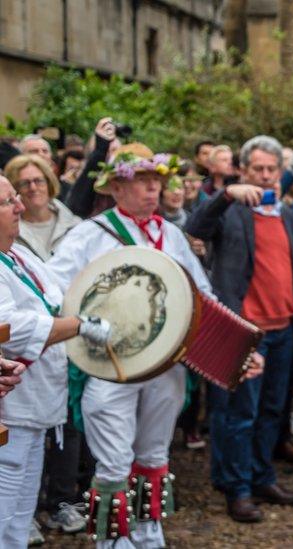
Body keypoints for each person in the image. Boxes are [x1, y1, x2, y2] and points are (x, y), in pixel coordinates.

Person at [46, 144, 258, 547]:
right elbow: (54, 289)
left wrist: (237, 348)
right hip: (110, 366)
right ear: (117, 188)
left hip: (166, 367)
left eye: (157, 182)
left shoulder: (172, 235)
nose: (152, 190)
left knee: (155, 456)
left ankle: (148, 532)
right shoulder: (89, 235)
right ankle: (112, 540)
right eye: (142, 181)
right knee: (112, 464)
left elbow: (202, 296)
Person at [185, 135, 293, 522]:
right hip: (245, 331)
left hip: (283, 327)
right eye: (258, 169)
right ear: (243, 171)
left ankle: (261, 476)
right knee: (239, 414)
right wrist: (226, 195)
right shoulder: (231, 209)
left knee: (272, 411)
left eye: (272, 169)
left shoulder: (285, 212)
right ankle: (236, 488)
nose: (266, 176)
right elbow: (195, 226)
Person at [0, 174, 110, 547]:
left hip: (38, 403)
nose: (19, 206)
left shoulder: (19, 253)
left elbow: (57, 290)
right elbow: (11, 326)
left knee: (21, 509)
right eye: (7, 202)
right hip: (10, 409)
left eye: (16, 197)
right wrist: (79, 326)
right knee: (4, 505)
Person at [4, 154, 81, 260]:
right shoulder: (8, 232)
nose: (33, 188)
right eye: (25, 183)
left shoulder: (75, 225)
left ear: (49, 183)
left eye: (38, 181)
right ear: (15, 189)